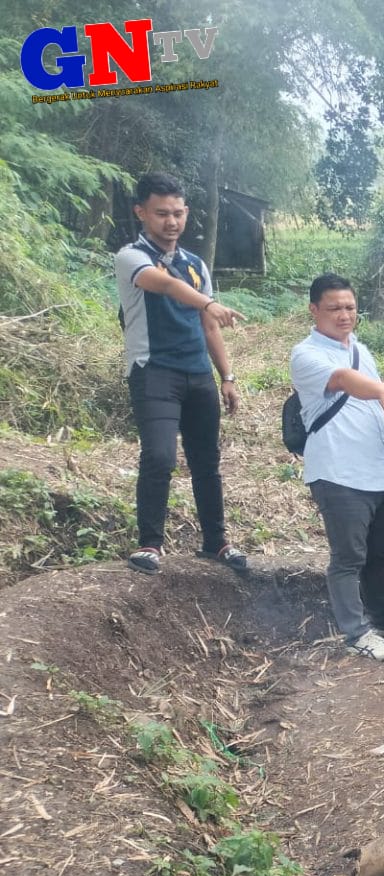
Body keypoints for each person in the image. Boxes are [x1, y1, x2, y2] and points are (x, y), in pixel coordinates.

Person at [289, 274, 384, 662]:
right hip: (339, 472)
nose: (344, 315)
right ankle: (357, 633)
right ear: (314, 310)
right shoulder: (306, 354)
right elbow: (344, 381)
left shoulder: (362, 350)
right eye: (334, 308)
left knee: (378, 553)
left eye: (350, 307)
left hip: (377, 470)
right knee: (348, 558)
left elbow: (374, 407)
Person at [115, 171, 249, 575]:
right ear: (141, 213)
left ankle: (216, 542)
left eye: (177, 213)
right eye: (161, 214)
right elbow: (167, 287)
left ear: (187, 213)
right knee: (159, 456)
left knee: (206, 460)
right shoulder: (131, 257)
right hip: (153, 371)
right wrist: (208, 303)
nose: (171, 222)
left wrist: (226, 376)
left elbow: (208, 326)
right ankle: (150, 544)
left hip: (197, 374)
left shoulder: (195, 264)